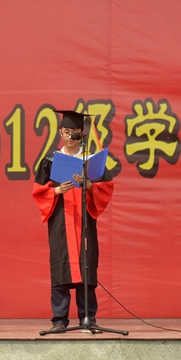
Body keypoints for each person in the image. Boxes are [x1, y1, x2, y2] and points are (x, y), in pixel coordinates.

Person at [32, 110, 114, 334]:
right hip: (61, 222)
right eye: (66, 132)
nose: (70, 136)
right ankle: (59, 320)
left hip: (84, 222)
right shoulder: (50, 160)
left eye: (75, 132)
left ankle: (88, 317)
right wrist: (57, 190)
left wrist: (89, 185)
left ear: (82, 134)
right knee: (61, 267)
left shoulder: (91, 161)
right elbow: (38, 190)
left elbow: (106, 188)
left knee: (86, 268)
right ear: (60, 132)